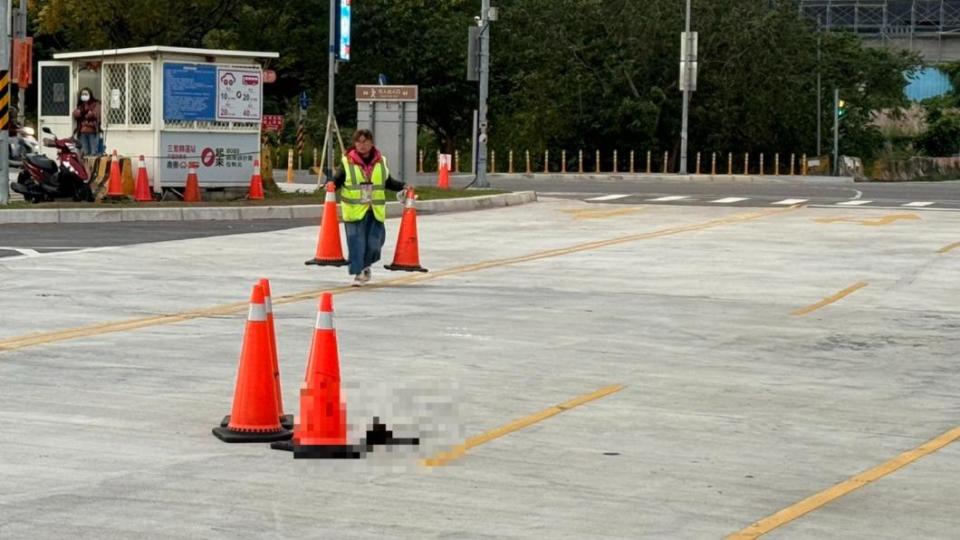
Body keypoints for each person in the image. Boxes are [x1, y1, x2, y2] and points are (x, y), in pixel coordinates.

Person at [328, 129, 406, 287]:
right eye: (358, 142)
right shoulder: (347, 162)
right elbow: (337, 179)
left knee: (374, 243)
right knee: (356, 243)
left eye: (365, 141)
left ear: (371, 143)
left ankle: (366, 265)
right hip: (354, 211)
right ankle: (359, 272)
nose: (361, 145)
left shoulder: (381, 161)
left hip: (374, 210)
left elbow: (387, 182)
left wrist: (403, 186)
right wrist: (330, 185)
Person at [72, 88, 101, 156]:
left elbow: (95, 114)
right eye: (82, 94)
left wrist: (88, 114)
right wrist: (80, 112)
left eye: (86, 94)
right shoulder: (81, 106)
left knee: (93, 153)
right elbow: (75, 114)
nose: (84, 96)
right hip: (82, 132)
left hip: (92, 131)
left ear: (90, 94)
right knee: (84, 153)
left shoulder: (96, 104)